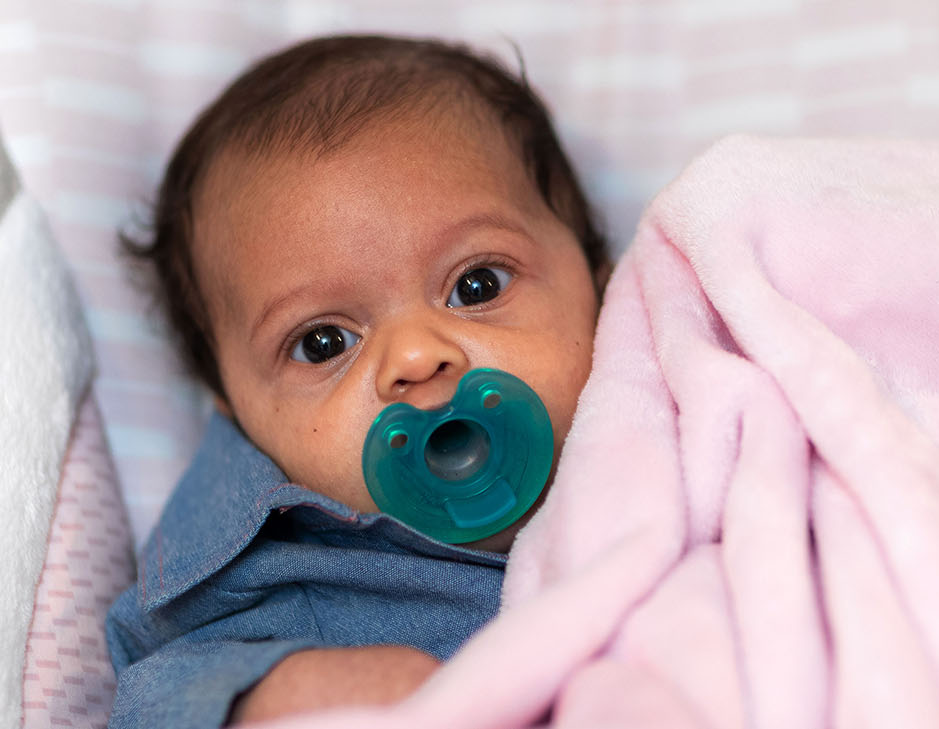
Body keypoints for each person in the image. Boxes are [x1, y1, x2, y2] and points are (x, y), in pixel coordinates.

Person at [105, 34, 609, 728]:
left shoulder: (689, 414)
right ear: (237, 412)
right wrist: (265, 695)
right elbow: (147, 695)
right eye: (323, 342)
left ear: (597, 279)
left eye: (475, 284)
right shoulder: (263, 582)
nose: (414, 356)